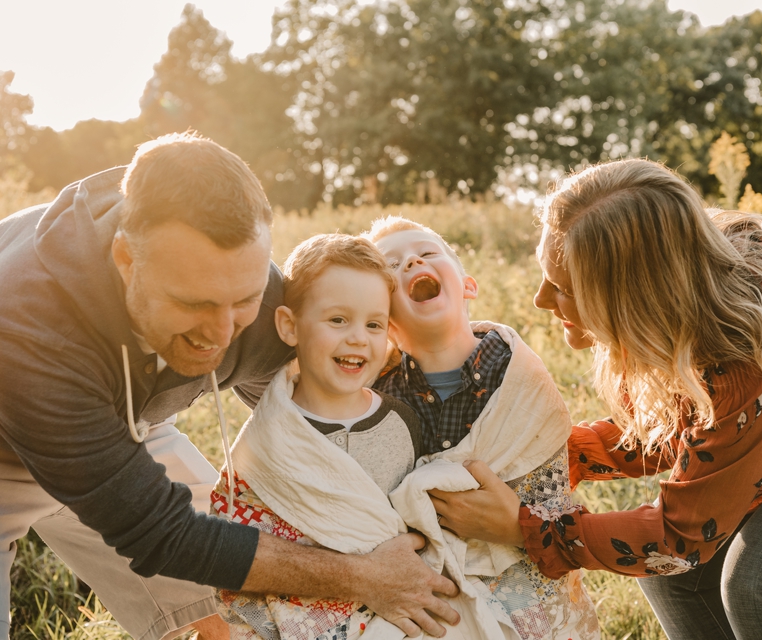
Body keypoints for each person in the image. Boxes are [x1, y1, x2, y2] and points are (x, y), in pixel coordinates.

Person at [430, 158, 762, 639]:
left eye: (564, 287)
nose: (541, 299)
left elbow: (682, 539)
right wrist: (565, 454)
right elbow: (693, 427)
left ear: (633, 298)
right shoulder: (695, 285)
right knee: (676, 581)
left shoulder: (754, 347)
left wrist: (527, 531)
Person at [0, 133, 457, 640]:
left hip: (132, 420)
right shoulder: (30, 330)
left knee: (236, 611)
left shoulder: (259, 305)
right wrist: (363, 577)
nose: (220, 336)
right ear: (127, 260)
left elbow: (325, 407)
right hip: (7, 446)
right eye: (194, 304)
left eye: (242, 299)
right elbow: (161, 534)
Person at [367, 217, 601, 639]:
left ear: (468, 285)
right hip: (438, 584)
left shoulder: (516, 371)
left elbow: (547, 473)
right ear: (384, 321)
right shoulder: (381, 397)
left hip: (523, 570)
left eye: (427, 252)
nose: (413, 260)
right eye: (392, 264)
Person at [210, 233, 425, 639]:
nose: (358, 337)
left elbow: (419, 522)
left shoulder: (402, 422)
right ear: (290, 326)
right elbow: (237, 535)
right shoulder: (270, 438)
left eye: (374, 324)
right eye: (338, 320)